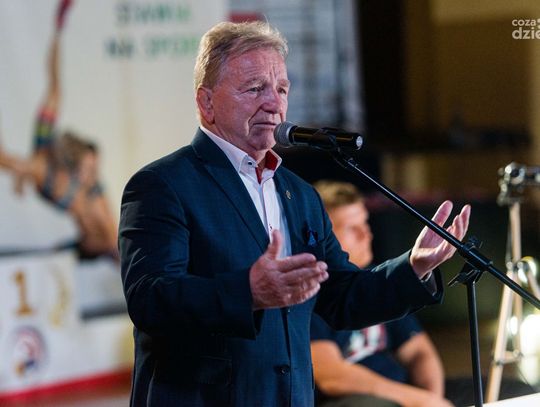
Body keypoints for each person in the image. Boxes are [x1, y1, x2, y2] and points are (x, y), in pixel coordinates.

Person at [118, 21, 470, 406]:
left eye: (282, 89)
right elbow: (150, 299)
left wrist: (414, 266)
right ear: (207, 102)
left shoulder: (299, 194)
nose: (274, 103)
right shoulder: (162, 185)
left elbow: (340, 295)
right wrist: (248, 292)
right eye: (255, 88)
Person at [310, 180, 453, 407]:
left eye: (365, 222)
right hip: (352, 400)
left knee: (500, 388)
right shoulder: (312, 289)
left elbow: (418, 351)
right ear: (325, 237)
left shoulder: (376, 278)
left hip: (403, 393)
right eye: (351, 228)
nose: (366, 234)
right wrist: (422, 401)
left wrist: (432, 398)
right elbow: (332, 376)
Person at [0, 0, 118, 260]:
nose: (94, 173)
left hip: (50, 175)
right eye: (90, 168)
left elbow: (110, 237)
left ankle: (57, 31)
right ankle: (58, 30)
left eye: (93, 168)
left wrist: (20, 175)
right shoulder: (58, 173)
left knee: (14, 161)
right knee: (55, 91)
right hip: (49, 163)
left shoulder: (60, 181)